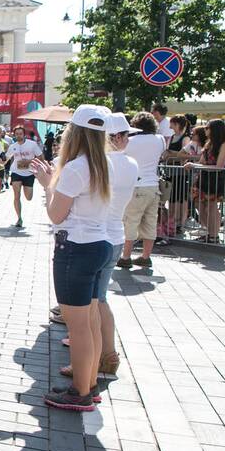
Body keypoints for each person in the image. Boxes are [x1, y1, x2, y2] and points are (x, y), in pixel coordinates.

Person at [31, 104, 113, 411]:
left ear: (73, 133)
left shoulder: (77, 167)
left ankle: (80, 392)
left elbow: (55, 214)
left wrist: (47, 184)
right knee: (89, 321)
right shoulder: (105, 163)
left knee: (77, 327)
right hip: (98, 244)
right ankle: (88, 384)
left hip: (75, 249)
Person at [60, 113, 137, 387]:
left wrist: (50, 185)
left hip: (84, 242)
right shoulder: (121, 164)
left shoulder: (83, 166)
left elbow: (57, 214)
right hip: (110, 238)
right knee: (95, 307)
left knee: (86, 317)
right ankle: (94, 371)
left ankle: (89, 377)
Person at [119, 112, 166, 267]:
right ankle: (146, 257)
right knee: (150, 222)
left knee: (131, 221)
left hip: (136, 185)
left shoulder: (130, 141)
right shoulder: (159, 140)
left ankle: (126, 257)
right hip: (153, 186)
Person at [186, 118, 225, 244]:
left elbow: (219, 166)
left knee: (212, 207)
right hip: (203, 178)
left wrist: (196, 166)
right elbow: (201, 161)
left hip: (215, 179)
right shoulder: (208, 143)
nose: (205, 130)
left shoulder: (224, 144)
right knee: (198, 205)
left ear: (215, 130)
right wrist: (195, 165)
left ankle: (214, 235)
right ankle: (209, 231)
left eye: (207, 127)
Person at [163, 115, 195, 238]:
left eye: (172, 123)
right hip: (171, 172)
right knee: (172, 198)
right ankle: (172, 222)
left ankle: (179, 223)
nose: (170, 126)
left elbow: (185, 154)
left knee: (180, 198)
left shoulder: (185, 138)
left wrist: (171, 154)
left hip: (181, 173)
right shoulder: (172, 137)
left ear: (177, 124)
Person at [6, 125, 43, 229]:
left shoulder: (32, 144)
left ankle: (20, 217)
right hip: (16, 172)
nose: (19, 136)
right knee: (16, 196)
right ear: (14, 135)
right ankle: (19, 218)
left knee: (28, 197)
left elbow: (41, 157)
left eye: (20, 134)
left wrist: (30, 161)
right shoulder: (13, 146)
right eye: (16, 134)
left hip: (29, 173)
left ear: (24, 134)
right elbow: (6, 159)